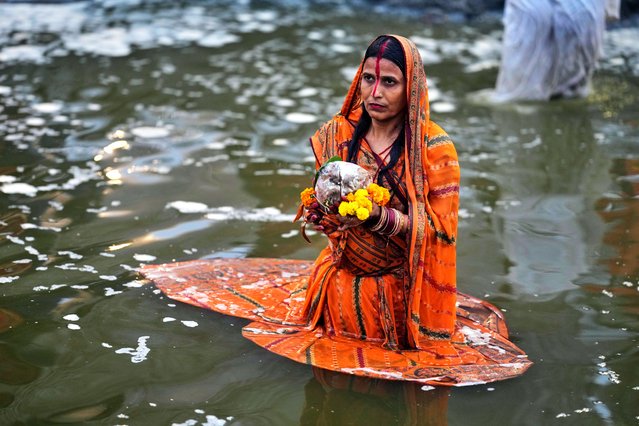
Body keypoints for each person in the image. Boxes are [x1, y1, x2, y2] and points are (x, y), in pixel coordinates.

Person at [142, 34, 531, 385]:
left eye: (389, 82)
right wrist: (319, 213)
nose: (375, 92)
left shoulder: (433, 149)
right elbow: (326, 194)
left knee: (379, 391)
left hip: (395, 300)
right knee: (328, 390)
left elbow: (440, 232)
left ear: (411, 89)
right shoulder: (339, 134)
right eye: (368, 79)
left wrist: (380, 218)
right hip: (336, 289)